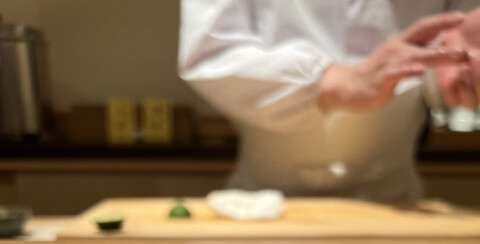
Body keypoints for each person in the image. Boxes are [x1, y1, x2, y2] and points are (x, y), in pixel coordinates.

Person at [178, 1, 479, 202]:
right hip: (262, 205)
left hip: (399, 205)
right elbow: (207, 52)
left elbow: (459, 30)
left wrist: (458, 61)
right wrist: (335, 82)